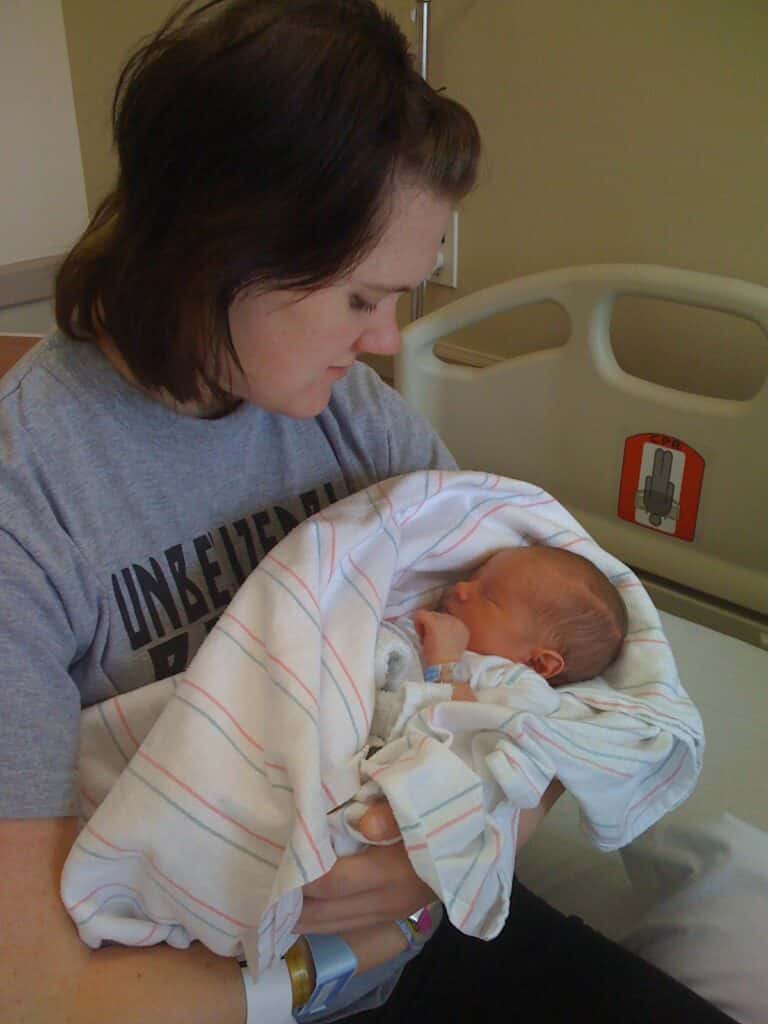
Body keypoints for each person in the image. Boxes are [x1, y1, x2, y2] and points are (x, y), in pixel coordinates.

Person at [0, 2, 737, 1022]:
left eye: (402, 294)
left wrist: (458, 843)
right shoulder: (29, 496)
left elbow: (554, 697)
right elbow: (31, 983)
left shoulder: (355, 421)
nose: (388, 338)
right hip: (207, 982)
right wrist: (363, 943)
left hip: (434, 915)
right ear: (213, 250)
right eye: (358, 299)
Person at [406, 544, 629, 697]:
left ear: (537, 663)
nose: (461, 588)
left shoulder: (521, 687)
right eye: (472, 579)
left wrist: (445, 663)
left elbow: (467, 726)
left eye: (488, 597)